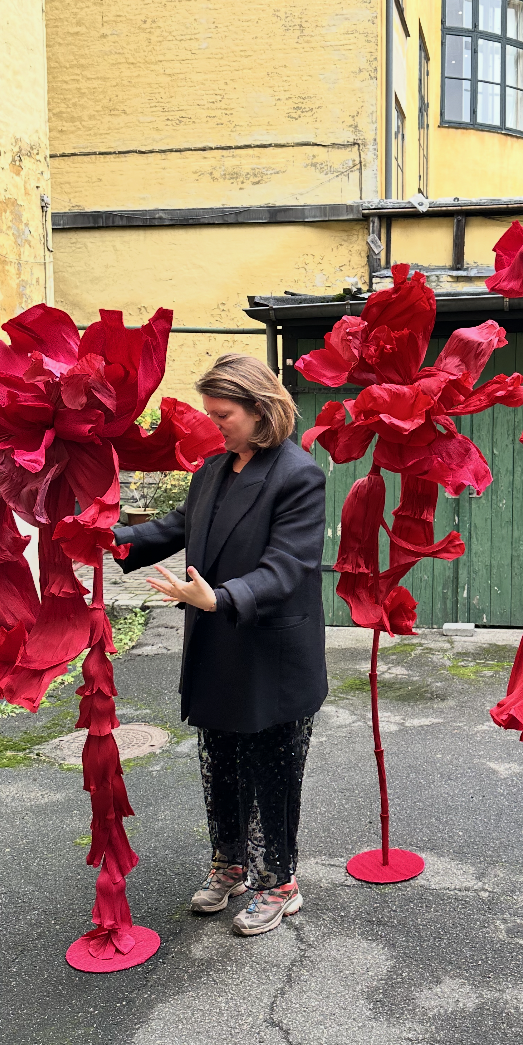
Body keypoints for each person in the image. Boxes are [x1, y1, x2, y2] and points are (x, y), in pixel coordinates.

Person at [113, 353, 327, 936]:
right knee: (223, 765)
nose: (213, 425)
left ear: (260, 410)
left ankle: (279, 883)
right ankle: (231, 864)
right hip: (216, 645)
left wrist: (220, 598)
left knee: (272, 772)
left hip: (270, 653)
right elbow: (176, 526)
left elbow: (288, 567)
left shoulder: (298, 475)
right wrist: (111, 538)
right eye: (209, 413)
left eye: (223, 415)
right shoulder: (213, 468)